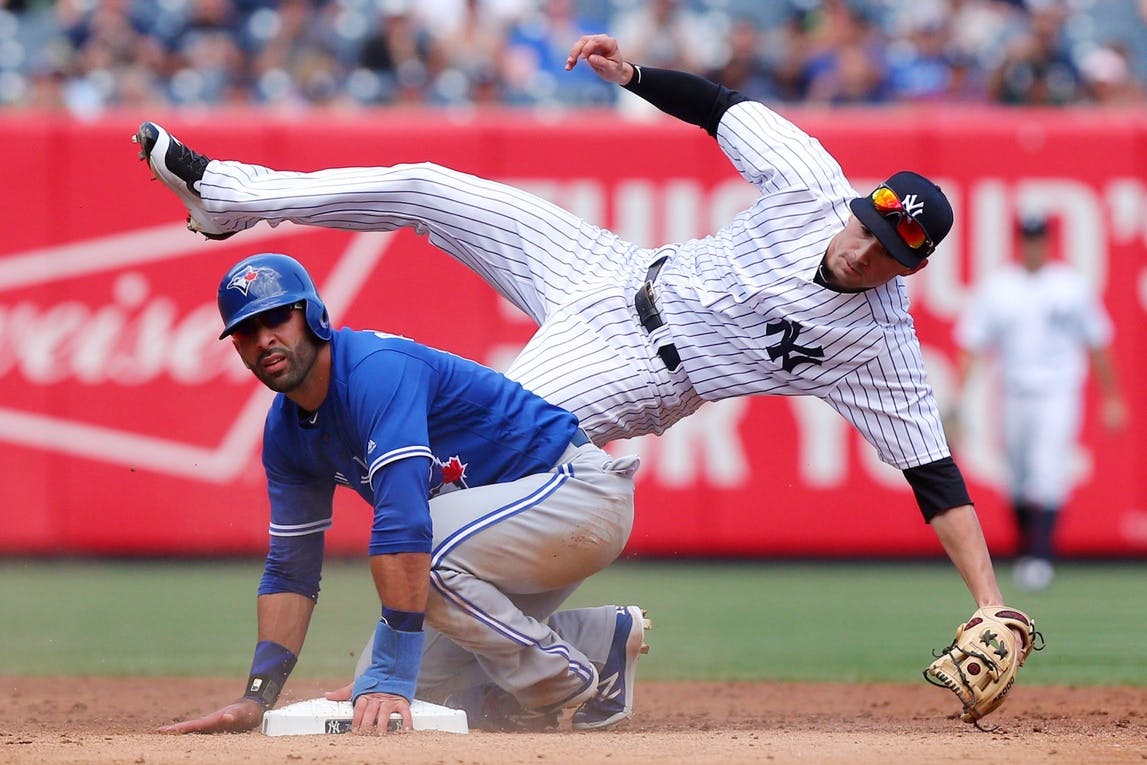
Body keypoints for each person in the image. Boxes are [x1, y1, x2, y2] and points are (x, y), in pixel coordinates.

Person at [135, 33, 1021, 631]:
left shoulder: (878, 341)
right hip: (609, 268)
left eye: (889, 251)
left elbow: (934, 476)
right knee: (428, 185)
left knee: (463, 469)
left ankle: (518, 650)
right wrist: (631, 77)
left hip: (638, 368)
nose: (865, 248)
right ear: (862, 204)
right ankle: (227, 199)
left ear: (909, 269)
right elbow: (717, 106)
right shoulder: (812, 183)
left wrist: (985, 600)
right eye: (869, 225)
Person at [156, 252, 648, 735]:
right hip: (497, 537)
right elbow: (291, 567)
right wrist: (258, 696)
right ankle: (602, 643)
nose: (264, 338)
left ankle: (557, 680)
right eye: (245, 329)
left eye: (277, 317)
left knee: (409, 604)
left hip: (576, 494)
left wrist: (392, 674)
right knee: (396, 693)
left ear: (313, 315)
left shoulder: (374, 369)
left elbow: (405, 522)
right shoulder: (287, 433)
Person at [952, 215, 1127, 591]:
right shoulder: (1000, 287)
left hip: (1058, 391)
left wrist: (1112, 397)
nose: (1033, 245)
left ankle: (1041, 555)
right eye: (1027, 239)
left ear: (1048, 242)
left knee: (1047, 469)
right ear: (1020, 242)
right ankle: (1026, 551)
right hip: (1014, 391)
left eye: (1039, 238)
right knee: (1016, 475)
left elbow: (1097, 342)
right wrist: (959, 401)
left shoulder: (1070, 286)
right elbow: (973, 345)